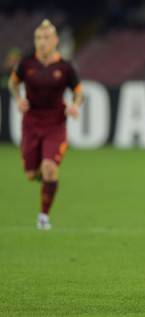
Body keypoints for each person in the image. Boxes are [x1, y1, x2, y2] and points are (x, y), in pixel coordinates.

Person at [8, 19, 83, 230]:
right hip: (31, 123)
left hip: (55, 124)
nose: (42, 42)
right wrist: (17, 99)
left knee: (49, 167)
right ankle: (47, 178)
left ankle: (43, 216)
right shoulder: (26, 64)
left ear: (56, 40)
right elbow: (13, 83)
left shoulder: (65, 67)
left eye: (46, 38)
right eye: (38, 38)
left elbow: (79, 92)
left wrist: (75, 105)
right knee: (32, 174)